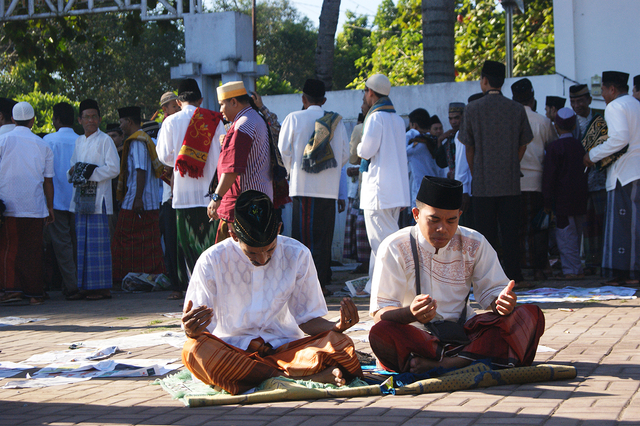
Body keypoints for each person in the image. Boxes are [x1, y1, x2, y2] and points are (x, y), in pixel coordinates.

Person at [181, 190, 363, 395]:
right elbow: (200, 331)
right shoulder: (212, 260)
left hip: (285, 350)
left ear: (278, 229)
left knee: (340, 344)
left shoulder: (297, 254)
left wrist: (336, 326)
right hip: (235, 352)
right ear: (233, 235)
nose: (262, 259)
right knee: (194, 350)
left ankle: (263, 378)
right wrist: (192, 331)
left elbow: (308, 319)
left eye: (270, 249)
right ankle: (297, 377)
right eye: (252, 252)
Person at [368, 176, 545, 374]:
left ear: (459, 215)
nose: (442, 228)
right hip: (418, 335)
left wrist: (503, 303)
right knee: (381, 332)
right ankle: (468, 359)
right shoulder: (394, 247)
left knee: (529, 316)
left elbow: (494, 293)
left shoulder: (475, 242)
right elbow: (380, 314)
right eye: (434, 220)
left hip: (465, 333)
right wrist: (410, 313)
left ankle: (446, 364)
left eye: (451, 220)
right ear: (416, 214)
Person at [459, 60, 534, 289]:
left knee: (486, 234)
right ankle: (514, 276)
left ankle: (487, 279)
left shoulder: (472, 109)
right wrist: (513, 162)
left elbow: (468, 147)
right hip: (510, 181)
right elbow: (524, 144)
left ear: (484, 80)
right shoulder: (516, 109)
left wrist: (476, 170)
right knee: (511, 232)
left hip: (483, 182)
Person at [278, 79, 349, 296]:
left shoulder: (293, 118)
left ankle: (306, 286)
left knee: (304, 238)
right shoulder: (336, 121)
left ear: (303, 98)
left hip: (303, 187)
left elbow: (283, 151)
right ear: (324, 100)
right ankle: (321, 284)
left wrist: (294, 171)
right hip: (328, 189)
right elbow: (345, 155)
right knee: (323, 238)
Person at [156, 78, 226, 299]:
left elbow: (164, 157)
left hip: (183, 196)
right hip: (211, 195)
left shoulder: (170, 122)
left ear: (178, 101)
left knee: (187, 246)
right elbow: (224, 152)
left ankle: (194, 295)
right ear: (201, 99)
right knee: (210, 245)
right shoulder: (214, 119)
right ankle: (215, 291)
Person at [584, 71, 640, 284]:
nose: (603, 95)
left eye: (604, 91)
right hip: (634, 171)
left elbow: (620, 139)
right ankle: (628, 273)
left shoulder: (615, 106)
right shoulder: (636, 104)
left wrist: (592, 154)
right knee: (633, 225)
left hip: (624, 174)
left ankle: (626, 274)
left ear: (612, 89)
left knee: (623, 227)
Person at [357, 73, 411, 294]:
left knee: (383, 244)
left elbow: (365, 150)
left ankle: (396, 287)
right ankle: (374, 285)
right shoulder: (398, 120)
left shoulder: (376, 117)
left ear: (370, 92)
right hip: (395, 191)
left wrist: (358, 145)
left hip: (378, 191)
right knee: (381, 243)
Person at [0, 101, 54, 305]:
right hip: (34, 206)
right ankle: (34, 295)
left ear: (13, 120)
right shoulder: (43, 144)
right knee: (33, 251)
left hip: (8, 205)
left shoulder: (3, 140)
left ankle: (11, 290)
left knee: (8, 248)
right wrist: (50, 206)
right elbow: (48, 180)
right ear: (33, 121)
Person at [207, 81, 272, 243]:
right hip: (259, 200)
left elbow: (232, 169)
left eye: (222, 104)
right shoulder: (255, 118)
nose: (220, 110)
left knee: (235, 258)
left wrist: (216, 197)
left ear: (234, 102)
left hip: (243, 204)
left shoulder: (242, 125)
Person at [68, 99, 120, 300]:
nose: (90, 120)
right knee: (82, 243)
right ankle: (85, 287)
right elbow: (72, 167)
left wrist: (90, 173)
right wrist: (74, 172)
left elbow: (114, 168)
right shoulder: (79, 141)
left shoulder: (105, 140)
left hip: (99, 199)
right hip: (82, 198)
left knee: (98, 245)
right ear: (80, 120)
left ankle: (101, 288)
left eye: (94, 117)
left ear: (99, 119)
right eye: (86, 117)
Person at [111, 106, 165, 285]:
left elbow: (140, 170)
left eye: (121, 122)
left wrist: (138, 198)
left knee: (125, 239)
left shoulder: (137, 142)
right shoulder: (141, 139)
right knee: (146, 243)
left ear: (129, 122)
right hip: (143, 200)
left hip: (138, 200)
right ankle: (143, 275)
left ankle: (130, 276)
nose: (121, 126)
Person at [511, 78, 556, 282]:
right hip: (537, 182)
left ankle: (520, 268)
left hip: (513, 182)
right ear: (533, 99)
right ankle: (538, 268)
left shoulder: (508, 119)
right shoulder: (543, 121)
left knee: (516, 227)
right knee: (538, 228)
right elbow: (552, 148)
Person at [542, 108, 588, 279]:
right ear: (574, 124)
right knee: (577, 235)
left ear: (556, 126)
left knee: (565, 236)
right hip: (580, 198)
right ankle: (577, 268)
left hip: (562, 200)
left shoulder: (555, 147)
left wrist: (547, 200)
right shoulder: (579, 146)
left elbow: (549, 176)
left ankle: (571, 270)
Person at [42, 102, 80, 300]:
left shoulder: (48, 140)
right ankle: (76, 283)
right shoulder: (81, 140)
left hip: (55, 200)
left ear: (56, 119)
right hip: (78, 199)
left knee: (62, 245)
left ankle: (71, 284)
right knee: (76, 243)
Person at [570, 84, 607, 276]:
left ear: (589, 100)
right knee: (587, 226)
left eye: (580, 101)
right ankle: (591, 263)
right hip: (581, 183)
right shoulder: (570, 122)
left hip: (601, 180)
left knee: (603, 224)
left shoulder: (600, 119)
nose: (577, 105)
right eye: (573, 101)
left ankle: (604, 261)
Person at [157, 92, 181, 299]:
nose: (178, 108)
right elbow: (164, 159)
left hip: (188, 192)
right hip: (169, 194)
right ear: (166, 109)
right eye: (174, 106)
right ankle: (176, 284)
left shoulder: (185, 123)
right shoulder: (166, 126)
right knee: (172, 241)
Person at [343, 107, 371, 274]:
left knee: (361, 226)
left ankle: (366, 263)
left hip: (364, 188)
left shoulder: (360, 130)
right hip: (362, 190)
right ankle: (365, 263)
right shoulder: (393, 125)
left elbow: (353, 158)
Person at [406, 108, 445, 211]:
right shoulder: (433, 141)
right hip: (436, 189)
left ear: (414, 125)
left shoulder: (417, 146)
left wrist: (411, 133)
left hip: (421, 192)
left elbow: (400, 151)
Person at [435, 103, 465, 180]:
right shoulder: (450, 139)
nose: (453, 122)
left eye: (456, 118)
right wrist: (440, 141)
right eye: (450, 119)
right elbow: (441, 163)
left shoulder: (469, 136)